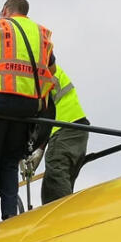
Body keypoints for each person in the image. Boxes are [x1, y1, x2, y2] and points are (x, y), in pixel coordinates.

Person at [0, 0, 54, 227]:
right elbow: (51, 69)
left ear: (6, 10)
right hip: (28, 107)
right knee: (9, 161)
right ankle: (10, 214)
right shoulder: (42, 34)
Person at [39, 64, 89, 204]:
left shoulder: (38, 71)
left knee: (56, 173)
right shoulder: (47, 66)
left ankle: (64, 219)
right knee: (54, 185)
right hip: (76, 128)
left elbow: (42, 112)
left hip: (64, 128)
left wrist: (38, 148)